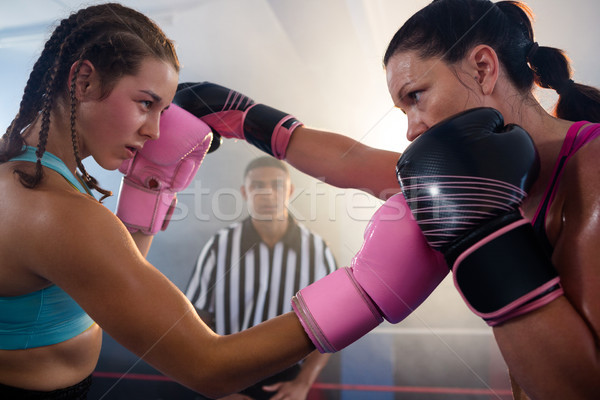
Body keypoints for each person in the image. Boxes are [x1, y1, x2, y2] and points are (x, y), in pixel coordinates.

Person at [172, 1, 600, 398]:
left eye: (416, 95)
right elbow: (351, 162)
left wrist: (478, 236)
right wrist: (240, 115)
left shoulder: (592, 169)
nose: (412, 129)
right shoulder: (482, 176)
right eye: (402, 110)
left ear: (483, 68)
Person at [0, 4, 323, 399]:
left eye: (163, 110)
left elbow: (112, 287)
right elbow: (210, 367)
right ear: (83, 81)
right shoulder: (55, 211)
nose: (155, 131)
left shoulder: (25, 170)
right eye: (146, 103)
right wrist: (368, 294)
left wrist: (149, 190)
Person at [186, 156, 336, 400]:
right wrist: (214, 386)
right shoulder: (221, 246)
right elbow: (196, 319)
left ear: (290, 191)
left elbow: (333, 324)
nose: (267, 193)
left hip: (285, 381)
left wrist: (303, 382)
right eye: (257, 186)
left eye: (276, 185)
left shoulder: (317, 251)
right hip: (226, 375)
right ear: (245, 192)